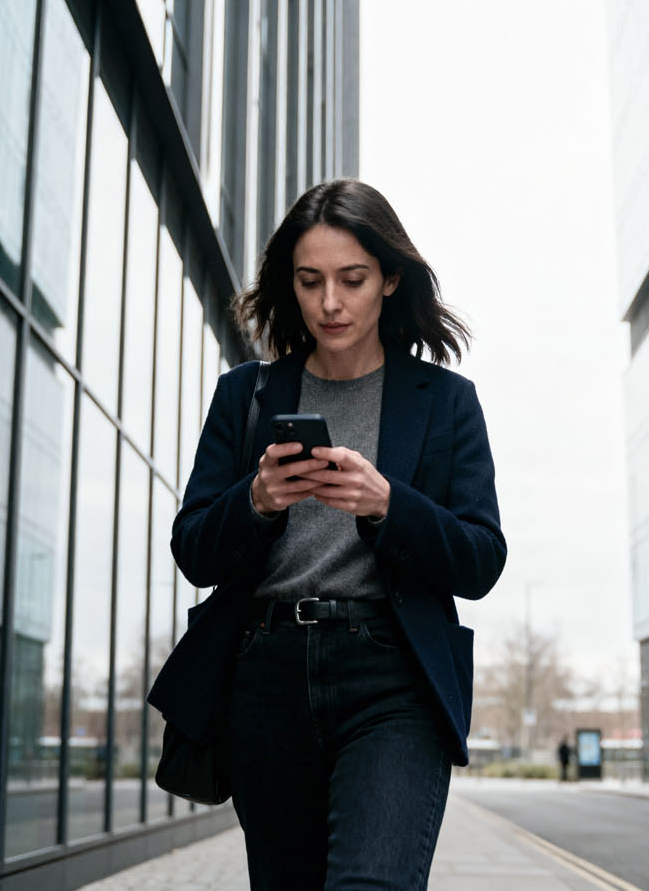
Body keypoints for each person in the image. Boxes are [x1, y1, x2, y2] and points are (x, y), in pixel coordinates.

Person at [148, 179, 505, 889]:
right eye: (310, 282)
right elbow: (193, 549)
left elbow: (480, 560)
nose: (330, 303)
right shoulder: (245, 394)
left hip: (392, 677)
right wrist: (254, 499)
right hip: (266, 675)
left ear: (389, 280)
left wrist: (386, 504)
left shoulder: (446, 403)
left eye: (352, 279)